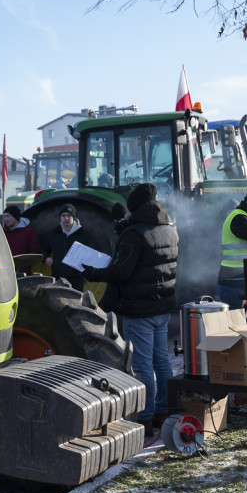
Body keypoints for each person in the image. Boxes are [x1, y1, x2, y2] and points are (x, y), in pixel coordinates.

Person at [83, 184, 178, 435]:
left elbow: (121, 271)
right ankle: (164, 410)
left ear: (134, 208)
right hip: (163, 305)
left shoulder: (133, 234)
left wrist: (93, 271)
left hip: (140, 308)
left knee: (143, 365)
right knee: (162, 360)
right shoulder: (169, 230)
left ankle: (145, 418)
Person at [42, 203, 90, 291]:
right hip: (58, 278)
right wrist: (46, 258)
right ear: (60, 217)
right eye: (63, 215)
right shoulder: (54, 234)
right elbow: (44, 249)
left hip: (76, 279)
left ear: (74, 217)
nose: (66, 218)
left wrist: (83, 268)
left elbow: (89, 255)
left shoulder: (83, 235)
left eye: (69, 215)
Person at [2, 205, 41, 273]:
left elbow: (34, 253)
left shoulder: (28, 232)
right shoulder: (3, 232)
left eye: (8, 216)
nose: (6, 219)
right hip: (7, 271)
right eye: (4, 216)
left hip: (24, 273)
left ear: (15, 216)